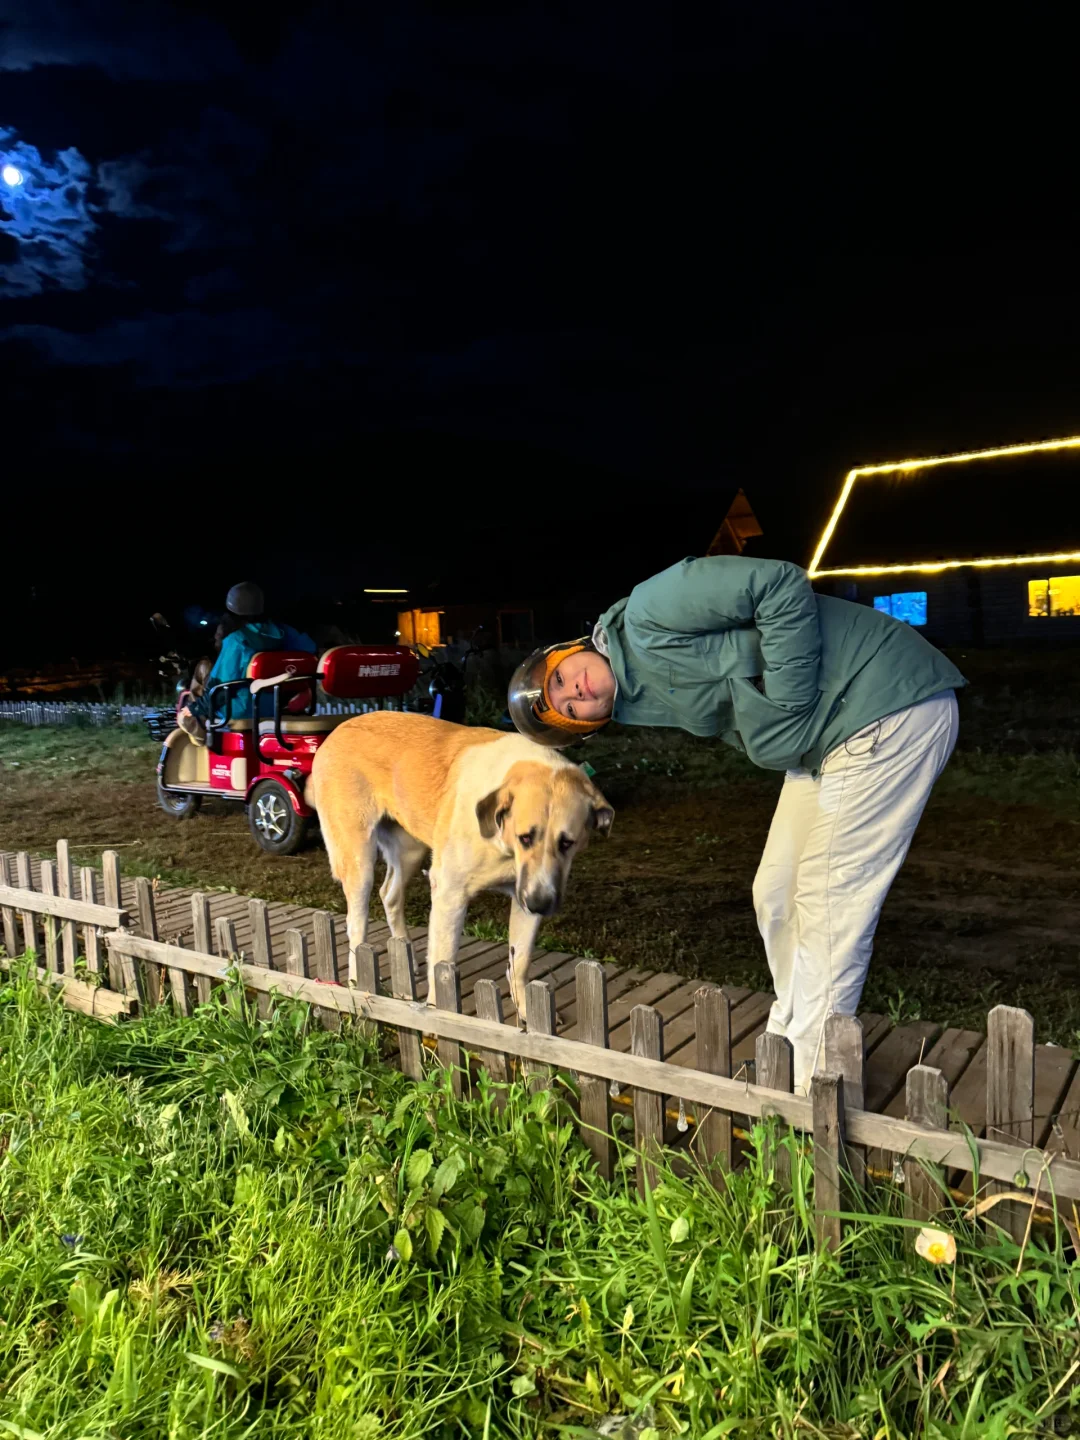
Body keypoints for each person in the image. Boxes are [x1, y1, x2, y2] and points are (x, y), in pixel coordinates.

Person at [507, 555, 966, 1095]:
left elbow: (778, 583)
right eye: (567, 707)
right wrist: (780, 730)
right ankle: (789, 1044)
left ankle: (815, 1087)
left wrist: (787, 703)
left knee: (827, 898)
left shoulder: (650, 612)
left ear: (570, 651)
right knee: (774, 893)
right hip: (826, 739)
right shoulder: (642, 697)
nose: (574, 690)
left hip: (885, 702)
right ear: (585, 727)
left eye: (561, 676)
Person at [184, 582, 317, 726]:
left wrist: (195, 708)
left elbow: (221, 690)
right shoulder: (282, 632)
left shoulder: (237, 641)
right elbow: (310, 652)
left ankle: (199, 740)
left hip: (242, 710)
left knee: (201, 680)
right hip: (275, 706)